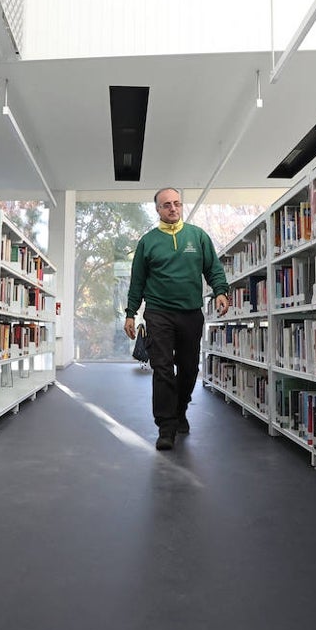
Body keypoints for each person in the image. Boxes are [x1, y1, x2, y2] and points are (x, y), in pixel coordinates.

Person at [123, 188, 229, 450]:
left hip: (191, 312)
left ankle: (180, 410)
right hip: (158, 312)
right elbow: (137, 281)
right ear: (158, 209)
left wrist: (221, 291)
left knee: (190, 367)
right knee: (162, 369)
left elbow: (213, 268)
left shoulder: (198, 236)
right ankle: (166, 427)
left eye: (177, 204)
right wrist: (130, 313)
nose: (173, 208)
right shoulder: (148, 242)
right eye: (167, 205)